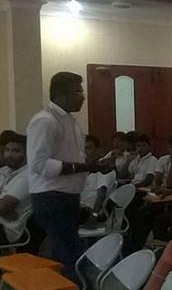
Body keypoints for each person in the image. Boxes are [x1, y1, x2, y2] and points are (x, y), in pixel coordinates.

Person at [27, 72, 98, 273]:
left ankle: (62, 288)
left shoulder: (70, 120)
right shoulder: (45, 120)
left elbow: (72, 156)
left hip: (67, 195)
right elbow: (39, 164)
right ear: (60, 94)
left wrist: (92, 165)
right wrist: (81, 167)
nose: (83, 97)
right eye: (78, 91)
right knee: (71, 252)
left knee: (64, 250)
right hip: (51, 197)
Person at [0, 133, 31, 245]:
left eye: (16, 151)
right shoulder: (4, 171)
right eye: (7, 150)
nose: (9, 154)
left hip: (7, 230)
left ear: (27, 153)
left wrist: (3, 209)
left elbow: (3, 207)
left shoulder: (27, 176)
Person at [80, 135, 116, 223]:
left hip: (90, 212)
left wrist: (94, 214)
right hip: (80, 207)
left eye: (88, 148)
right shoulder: (86, 169)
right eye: (83, 148)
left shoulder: (104, 169)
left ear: (98, 150)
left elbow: (101, 194)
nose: (85, 152)